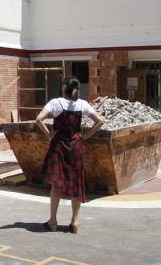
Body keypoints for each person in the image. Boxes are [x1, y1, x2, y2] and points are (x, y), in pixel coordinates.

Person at [34, 76, 105, 234]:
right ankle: (74, 221)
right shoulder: (82, 104)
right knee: (76, 184)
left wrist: (49, 135)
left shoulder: (55, 103)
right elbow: (100, 121)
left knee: (56, 184)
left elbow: (38, 119)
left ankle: (53, 221)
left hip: (59, 146)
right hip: (76, 147)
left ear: (64, 88)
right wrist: (85, 136)